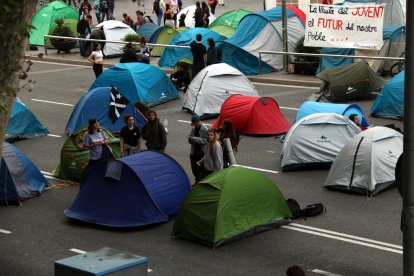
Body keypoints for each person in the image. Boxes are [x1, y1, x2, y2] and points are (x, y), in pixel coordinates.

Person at [188, 114, 208, 183]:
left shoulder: (205, 129)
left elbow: (206, 141)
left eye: (194, 123)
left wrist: (195, 138)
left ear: (197, 122)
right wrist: (190, 138)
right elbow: (190, 141)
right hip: (193, 152)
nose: (193, 125)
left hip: (201, 153)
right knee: (194, 169)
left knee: (202, 170)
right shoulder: (193, 128)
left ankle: (201, 183)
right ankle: (197, 181)